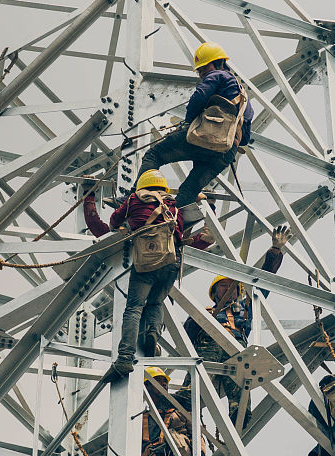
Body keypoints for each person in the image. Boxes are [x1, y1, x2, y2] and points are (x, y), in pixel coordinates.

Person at [182, 226, 291, 427]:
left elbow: (264, 283)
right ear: (214, 292)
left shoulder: (244, 307)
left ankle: (239, 416)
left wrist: (275, 251)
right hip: (210, 343)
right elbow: (186, 337)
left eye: (231, 286)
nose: (228, 288)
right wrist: (202, 322)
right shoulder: (204, 313)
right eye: (223, 285)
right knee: (202, 369)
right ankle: (188, 396)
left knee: (242, 381)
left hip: (236, 344)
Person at [85, 170, 186, 378]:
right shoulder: (173, 206)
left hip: (147, 262)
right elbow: (181, 233)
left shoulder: (133, 199)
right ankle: (152, 333)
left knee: (133, 308)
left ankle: (124, 358)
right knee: (156, 303)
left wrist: (90, 197)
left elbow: (112, 222)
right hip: (171, 261)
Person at [135, 42, 253, 207]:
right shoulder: (245, 102)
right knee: (189, 190)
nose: (202, 74)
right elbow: (245, 138)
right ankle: (171, 220)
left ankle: (135, 202)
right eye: (200, 70)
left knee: (154, 155)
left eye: (205, 68)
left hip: (206, 137)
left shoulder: (219, 75)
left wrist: (189, 122)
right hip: (225, 153)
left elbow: (199, 96)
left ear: (219, 64)